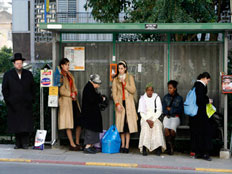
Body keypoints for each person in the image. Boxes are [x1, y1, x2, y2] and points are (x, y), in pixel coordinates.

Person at [2, 53, 34, 149]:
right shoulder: (8, 75)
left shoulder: (28, 74)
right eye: (17, 63)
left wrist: (31, 99)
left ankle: (25, 143)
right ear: (14, 64)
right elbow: (5, 89)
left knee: (25, 125)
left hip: (26, 104)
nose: (19, 65)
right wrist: (8, 101)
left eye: (20, 63)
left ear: (22, 63)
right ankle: (17, 143)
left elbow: (33, 88)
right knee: (16, 125)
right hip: (13, 104)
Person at [112, 60, 138, 153]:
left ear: (125, 68)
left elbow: (133, 90)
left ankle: (127, 145)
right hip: (120, 104)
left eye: (122, 68)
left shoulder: (129, 77)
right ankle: (122, 144)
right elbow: (114, 93)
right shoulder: (115, 79)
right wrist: (117, 104)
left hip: (129, 104)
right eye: (119, 68)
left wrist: (125, 84)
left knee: (128, 126)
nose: (120, 70)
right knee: (121, 126)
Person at [58, 58, 82, 151]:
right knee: (68, 123)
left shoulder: (70, 75)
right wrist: (70, 94)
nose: (68, 66)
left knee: (79, 121)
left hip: (73, 100)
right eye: (66, 64)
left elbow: (74, 87)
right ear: (62, 66)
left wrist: (74, 93)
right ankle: (72, 144)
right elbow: (61, 90)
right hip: (66, 101)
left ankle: (77, 142)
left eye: (68, 64)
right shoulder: (60, 76)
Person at [190, 72, 213, 161]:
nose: (207, 82)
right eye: (208, 80)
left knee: (198, 133)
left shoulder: (196, 85)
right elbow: (200, 99)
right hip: (200, 114)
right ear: (205, 78)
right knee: (205, 132)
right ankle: (205, 153)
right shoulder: (200, 85)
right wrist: (208, 100)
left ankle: (198, 152)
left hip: (196, 115)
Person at [138, 83, 166, 156]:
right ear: (146, 91)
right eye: (148, 90)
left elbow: (159, 110)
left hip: (155, 117)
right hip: (145, 118)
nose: (150, 92)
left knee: (157, 126)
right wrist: (147, 120)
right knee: (145, 127)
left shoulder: (156, 97)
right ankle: (144, 147)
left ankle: (158, 148)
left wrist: (153, 120)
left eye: (151, 90)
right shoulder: (142, 98)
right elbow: (141, 112)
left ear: (153, 91)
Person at [81, 74, 105, 154]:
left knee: (93, 130)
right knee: (90, 130)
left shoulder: (89, 87)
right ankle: (88, 146)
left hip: (91, 114)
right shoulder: (89, 88)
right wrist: (101, 98)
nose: (98, 86)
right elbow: (92, 100)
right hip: (90, 114)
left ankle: (90, 145)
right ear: (93, 82)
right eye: (97, 84)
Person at [162, 80, 183, 155]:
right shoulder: (165, 97)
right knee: (166, 129)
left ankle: (171, 146)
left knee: (172, 130)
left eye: (171, 88)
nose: (169, 89)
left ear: (174, 88)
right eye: (168, 88)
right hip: (167, 117)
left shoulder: (179, 98)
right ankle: (170, 147)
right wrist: (170, 111)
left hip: (175, 117)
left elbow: (180, 110)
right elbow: (164, 110)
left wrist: (171, 109)